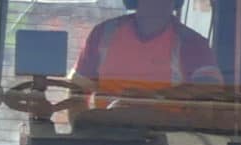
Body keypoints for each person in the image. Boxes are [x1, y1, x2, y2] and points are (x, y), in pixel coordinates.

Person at [75, 0, 221, 95]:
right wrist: (80, 130)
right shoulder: (103, 34)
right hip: (106, 135)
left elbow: (209, 94)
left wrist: (156, 98)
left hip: (170, 137)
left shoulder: (193, 44)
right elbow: (78, 90)